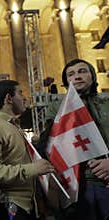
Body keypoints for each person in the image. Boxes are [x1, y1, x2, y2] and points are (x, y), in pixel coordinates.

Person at [42, 59, 109, 220]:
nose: (77, 76)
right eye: (71, 74)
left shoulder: (107, 103)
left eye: (82, 71)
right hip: (78, 187)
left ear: (92, 76)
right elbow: (53, 146)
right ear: (66, 81)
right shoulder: (57, 108)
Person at [0, 80, 54, 220]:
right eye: (20, 93)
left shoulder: (13, 126)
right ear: (9, 99)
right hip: (7, 208)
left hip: (25, 206)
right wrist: (33, 169)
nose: (25, 98)